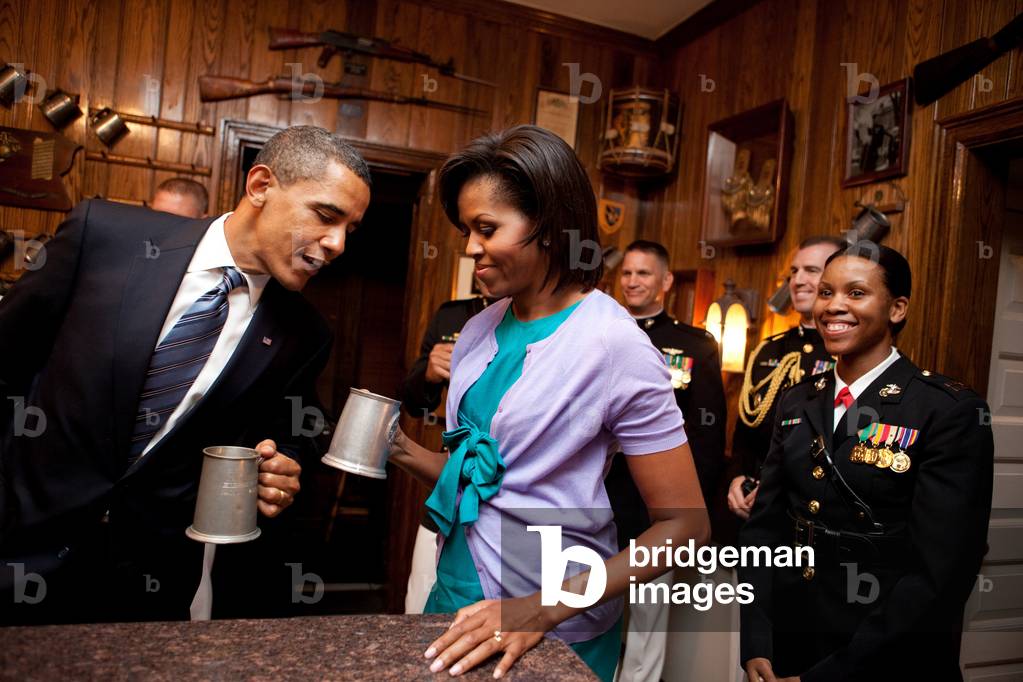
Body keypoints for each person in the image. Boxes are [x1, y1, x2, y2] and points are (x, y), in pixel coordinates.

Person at [0, 125, 371, 624]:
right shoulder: (103, 235)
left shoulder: (305, 334)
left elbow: (291, 431)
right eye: (326, 216)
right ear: (261, 185)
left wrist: (285, 462)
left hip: (146, 587)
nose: (338, 243)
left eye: (351, 229)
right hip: (18, 546)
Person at [386, 125, 710, 681]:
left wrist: (538, 609)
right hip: (459, 595)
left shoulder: (614, 344)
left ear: (549, 224)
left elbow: (685, 528)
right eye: (466, 230)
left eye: (487, 228)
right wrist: (396, 448)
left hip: (553, 623)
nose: (470, 247)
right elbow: (485, 480)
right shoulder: (478, 329)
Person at [739, 245, 993, 681]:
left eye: (855, 293)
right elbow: (763, 530)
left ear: (897, 309)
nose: (833, 306)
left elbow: (942, 573)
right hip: (789, 646)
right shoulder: (798, 400)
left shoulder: (946, 410)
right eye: (826, 292)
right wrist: (756, 641)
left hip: (884, 659)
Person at [605, 239, 726, 682]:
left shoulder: (694, 344)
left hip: (656, 510)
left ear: (666, 281)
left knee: (647, 627)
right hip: (599, 500)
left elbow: (707, 439)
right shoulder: (600, 333)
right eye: (627, 273)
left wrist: (689, 514)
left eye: (643, 273)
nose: (632, 281)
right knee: (584, 610)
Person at [727, 236, 845, 521]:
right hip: (755, 506)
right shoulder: (768, 349)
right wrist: (737, 476)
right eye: (794, 271)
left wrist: (777, 486)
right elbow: (747, 429)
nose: (797, 280)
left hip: (815, 510)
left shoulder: (847, 355)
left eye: (811, 270)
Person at [400, 292, 492, 614]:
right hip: (451, 481)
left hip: (505, 495)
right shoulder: (452, 315)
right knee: (418, 603)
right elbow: (414, 404)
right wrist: (428, 373)